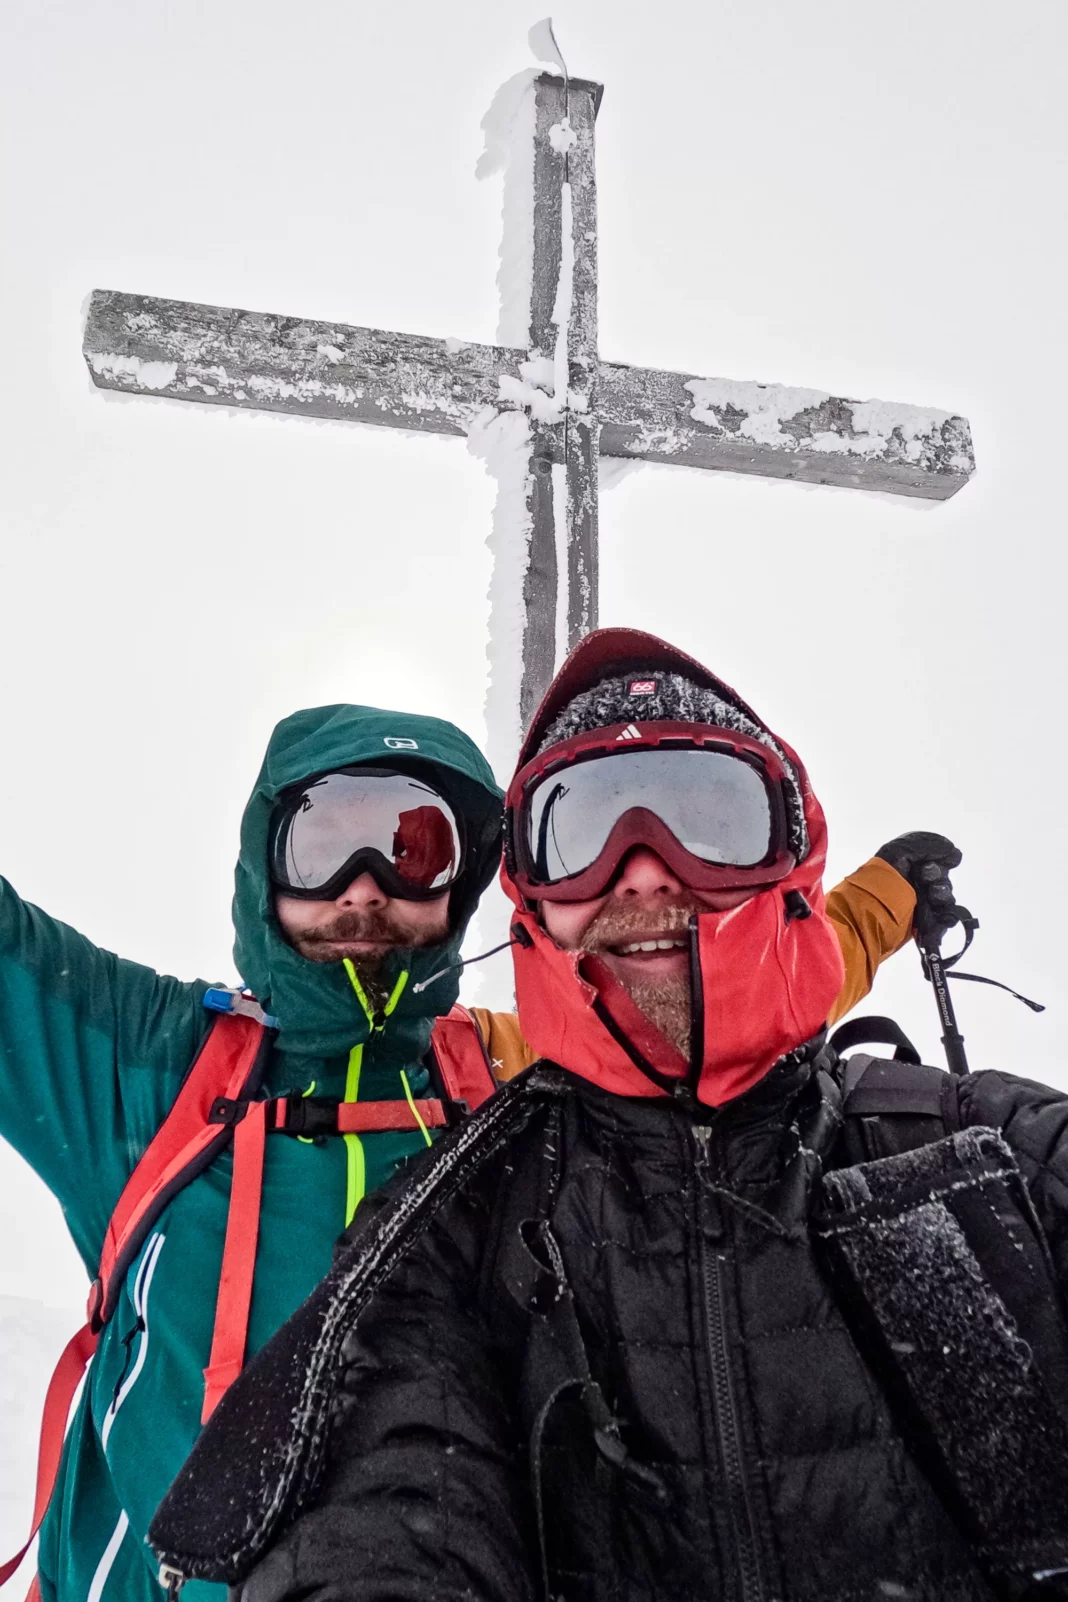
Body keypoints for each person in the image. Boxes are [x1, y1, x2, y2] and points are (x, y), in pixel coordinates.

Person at [146, 628, 1066, 1602]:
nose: (642, 870)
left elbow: (776, 971)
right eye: (580, 832)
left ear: (790, 855)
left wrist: (887, 894)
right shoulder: (447, 1235)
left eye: (710, 815)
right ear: (532, 909)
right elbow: (388, 1501)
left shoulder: (998, 1163)